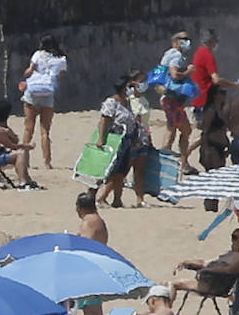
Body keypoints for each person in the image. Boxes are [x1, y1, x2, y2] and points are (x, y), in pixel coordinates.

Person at [94, 75, 151, 209]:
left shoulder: (128, 102)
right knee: (113, 171)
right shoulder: (112, 102)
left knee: (122, 171)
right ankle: (100, 197)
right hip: (116, 139)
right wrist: (101, 138)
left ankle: (117, 200)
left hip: (131, 139)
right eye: (130, 86)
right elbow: (104, 120)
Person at [21, 35, 67, 170]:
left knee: (28, 128)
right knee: (45, 131)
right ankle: (47, 162)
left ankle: (24, 160)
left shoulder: (37, 55)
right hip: (48, 94)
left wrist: (28, 74)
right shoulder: (61, 59)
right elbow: (59, 76)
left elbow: (29, 71)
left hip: (33, 92)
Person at [169, 228, 239, 298]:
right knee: (166, 284)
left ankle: (164, 311)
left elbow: (230, 270)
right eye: (232, 237)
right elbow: (205, 262)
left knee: (171, 284)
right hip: (209, 282)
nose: (232, 240)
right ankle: (163, 311)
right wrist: (186, 262)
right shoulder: (230, 254)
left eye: (235, 238)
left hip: (214, 286)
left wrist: (208, 270)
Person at [158, 31, 197, 174]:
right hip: (173, 100)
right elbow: (175, 74)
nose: (187, 42)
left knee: (171, 129)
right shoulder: (177, 56)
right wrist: (188, 72)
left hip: (168, 99)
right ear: (175, 41)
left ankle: (164, 163)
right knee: (186, 130)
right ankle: (183, 162)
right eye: (184, 39)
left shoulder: (168, 54)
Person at [0, 99, 39, 189]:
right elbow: (13, 145)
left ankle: (27, 180)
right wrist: (29, 146)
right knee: (20, 153)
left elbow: (15, 140)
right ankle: (23, 183)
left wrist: (9, 131)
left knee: (21, 152)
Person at [74, 192, 109, 315]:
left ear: (79, 208)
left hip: (89, 268)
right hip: (96, 266)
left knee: (92, 312)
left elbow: (87, 245)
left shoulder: (89, 222)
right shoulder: (97, 220)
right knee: (93, 311)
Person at [189, 30, 222, 123]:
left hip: (198, 98)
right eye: (216, 41)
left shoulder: (199, 52)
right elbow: (216, 79)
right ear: (212, 41)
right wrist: (233, 84)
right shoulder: (208, 55)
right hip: (205, 98)